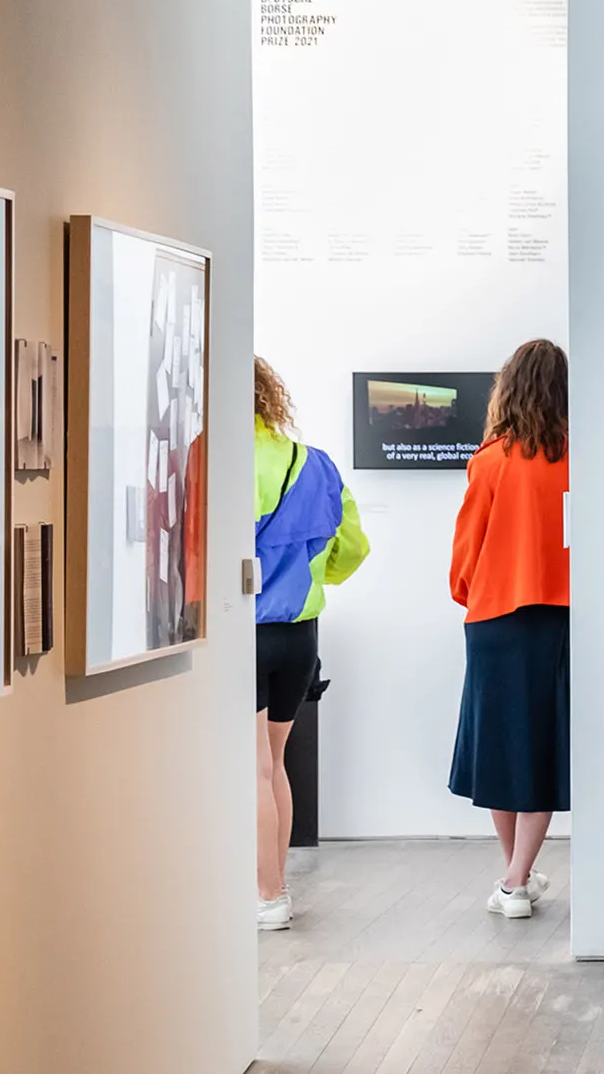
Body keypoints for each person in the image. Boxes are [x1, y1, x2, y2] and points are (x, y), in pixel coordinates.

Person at [448, 339, 572, 919]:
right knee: (539, 745)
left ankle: (515, 879)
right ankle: (516, 878)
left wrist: (470, 594)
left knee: (500, 747)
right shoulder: (577, 456)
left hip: (494, 617)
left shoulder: (489, 459)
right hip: (557, 616)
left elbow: (467, 550)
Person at [252, 358, 369, 931]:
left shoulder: (216, 458)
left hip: (239, 633)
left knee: (248, 767)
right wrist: (308, 577)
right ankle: (273, 890)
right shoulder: (314, 463)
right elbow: (352, 550)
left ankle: (265, 894)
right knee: (274, 762)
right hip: (300, 635)